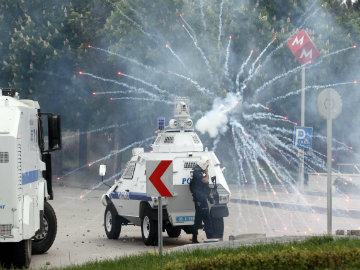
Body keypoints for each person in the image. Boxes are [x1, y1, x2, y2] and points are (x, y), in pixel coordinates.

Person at [189, 156, 213, 243]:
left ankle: (194, 238)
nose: (207, 168)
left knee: (198, 220)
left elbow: (205, 188)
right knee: (207, 219)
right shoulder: (197, 173)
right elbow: (205, 181)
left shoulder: (198, 172)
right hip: (200, 200)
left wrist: (209, 197)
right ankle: (210, 238)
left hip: (201, 200)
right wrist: (207, 173)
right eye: (206, 166)